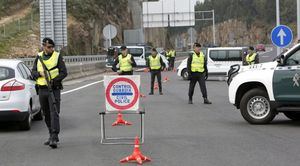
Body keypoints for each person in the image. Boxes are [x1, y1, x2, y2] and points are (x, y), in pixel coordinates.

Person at [32, 38, 68, 148]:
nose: (51, 49)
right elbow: (32, 73)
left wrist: (54, 80)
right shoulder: (38, 57)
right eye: (49, 47)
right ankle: (51, 134)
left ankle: (54, 137)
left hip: (54, 89)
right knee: (46, 114)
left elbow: (64, 72)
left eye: (52, 47)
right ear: (43, 46)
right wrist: (39, 73)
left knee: (54, 113)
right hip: (42, 89)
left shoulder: (57, 56)